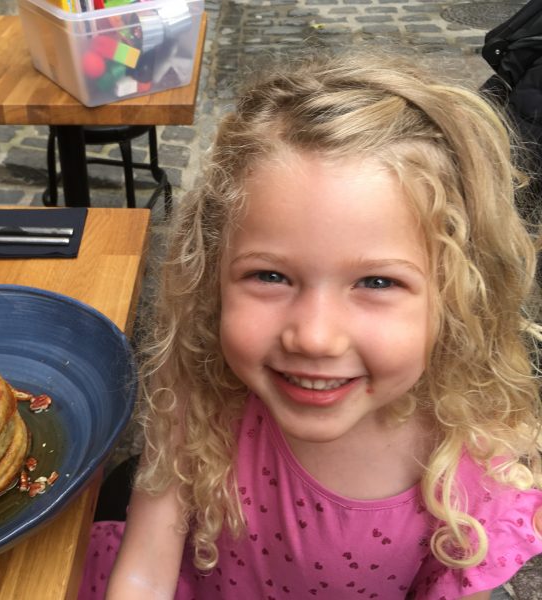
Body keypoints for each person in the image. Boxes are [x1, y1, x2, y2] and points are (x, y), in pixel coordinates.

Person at [79, 51, 542, 599]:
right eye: (270, 275)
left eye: (376, 283)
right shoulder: (202, 398)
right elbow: (146, 566)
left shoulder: (470, 461)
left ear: (458, 294)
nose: (315, 337)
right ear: (213, 275)